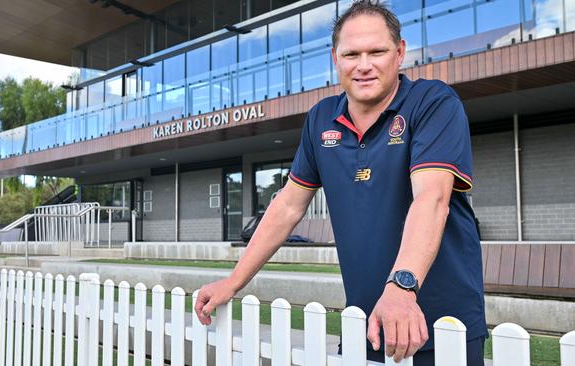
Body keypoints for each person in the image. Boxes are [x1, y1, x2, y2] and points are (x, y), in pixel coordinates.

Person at [195, 1, 487, 365]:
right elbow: (287, 205)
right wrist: (232, 281)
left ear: (399, 53)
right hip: (363, 324)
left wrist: (402, 287)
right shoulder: (321, 118)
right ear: (335, 57)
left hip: (442, 325)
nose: (364, 65)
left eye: (377, 51)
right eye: (352, 54)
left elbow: (431, 198)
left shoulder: (432, 102)